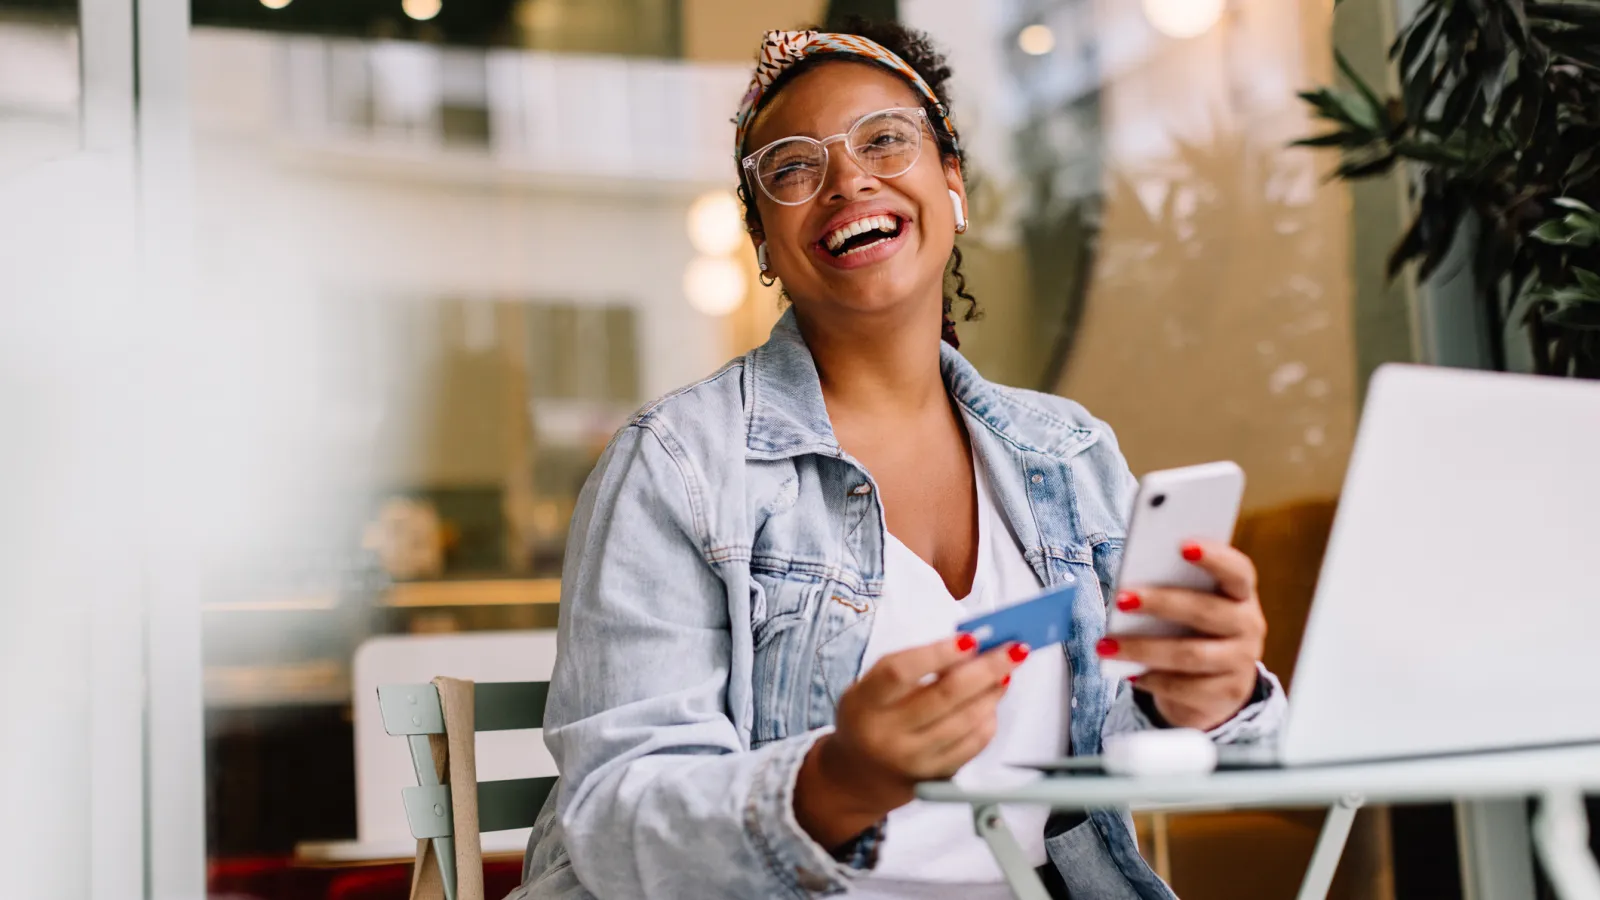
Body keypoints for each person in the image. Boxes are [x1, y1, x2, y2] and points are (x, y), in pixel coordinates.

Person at [516, 20, 1285, 900]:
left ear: (952, 182)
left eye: (885, 140)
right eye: (795, 168)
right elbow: (617, 816)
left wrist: (1201, 702)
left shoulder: (1069, 454)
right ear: (763, 241)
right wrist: (837, 780)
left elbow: (1116, 750)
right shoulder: (676, 467)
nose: (849, 180)